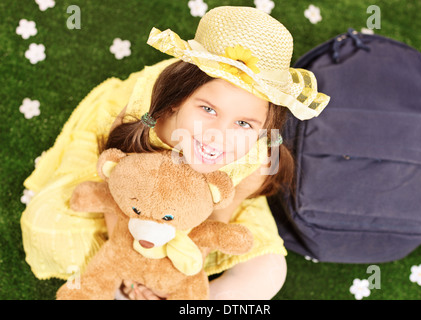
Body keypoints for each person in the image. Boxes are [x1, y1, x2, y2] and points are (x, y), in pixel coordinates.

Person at [20, 6, 329, 299]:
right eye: (208, 109)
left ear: (263, 128)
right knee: (45, 222)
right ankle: (120, 285)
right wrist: (131, 266)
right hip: (131, 196)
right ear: (178, 100)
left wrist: (179, 266)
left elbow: (218, 214)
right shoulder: (146, 119)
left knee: (269, 270)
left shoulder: (254, 157)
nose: (217, 136)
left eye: (243, 123)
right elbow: (120, 194)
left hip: (202, 208)